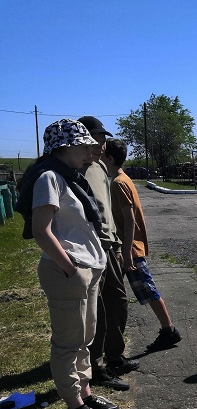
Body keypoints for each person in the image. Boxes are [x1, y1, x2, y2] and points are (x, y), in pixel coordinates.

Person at [23, 119, 120, 409]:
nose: (89, 151)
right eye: (83, 145)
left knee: (84, 340)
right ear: (65, 146)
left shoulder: (71, 177)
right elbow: (42, 230)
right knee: (68, 343)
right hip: (69, 270)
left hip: (86, 268)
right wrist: (70, 267)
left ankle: (85, 394)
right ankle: (74, 408)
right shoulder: (49, 177)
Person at [102, 138, 182, 352]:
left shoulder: (118, 183)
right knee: (142, 290)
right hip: (127, 247)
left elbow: (129, 219)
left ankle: (169, 330)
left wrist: (127, 254)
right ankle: (168, 329)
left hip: (129, 248)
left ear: (110, 158)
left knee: (146, 289)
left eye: (101, 153)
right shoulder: (121, 178)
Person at [77, 116, 133, 392]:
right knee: (95, 310)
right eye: (96, 139)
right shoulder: (76, 170)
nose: (101, 144)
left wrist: (120, 245)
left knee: (118, 301)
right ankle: (96, 367)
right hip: (91, 247)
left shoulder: (100, 168)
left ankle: (115, 356)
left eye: (102, 140)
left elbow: (107, 210)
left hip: (110, 246)